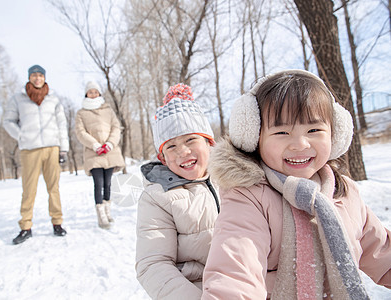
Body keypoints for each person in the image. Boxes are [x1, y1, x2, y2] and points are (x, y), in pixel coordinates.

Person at [202, 69, 391, 299]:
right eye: (282, 132)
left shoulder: (344, 192)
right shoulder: (249, 197)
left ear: (335, 133)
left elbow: (382, 253)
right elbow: (235, 273)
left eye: (314, 130)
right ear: (255, 138)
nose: (300, 144)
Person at [135, 83, 220, 299]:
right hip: (197, 288)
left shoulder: (235, 178)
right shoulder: (157, 197)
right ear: (162, 158)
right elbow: (153, 264)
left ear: (209, 142)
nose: (182, 151)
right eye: (171, 146)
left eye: (191, 139)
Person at [4, 64, 69, 245]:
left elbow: (61, 124)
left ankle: (57, 223)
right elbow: (8, 121)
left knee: (53, 188)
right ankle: (26, 227)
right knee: (29, 188)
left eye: (40, 75)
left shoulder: (53, 99)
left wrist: (63, 148)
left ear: (45, 78)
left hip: (51, 147)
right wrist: (21, 136)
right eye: (34, 75)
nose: (37, 78)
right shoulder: (18, 99)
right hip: (29, 149)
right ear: (29, 78)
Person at [75, 81, 125, 229]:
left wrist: (110, 143)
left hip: (110, 151)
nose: (93, 94)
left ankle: (108, 211)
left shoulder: (108, 109)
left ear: (99, 93)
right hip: (93, 153)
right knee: (99, 183)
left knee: (108, 183)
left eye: (95, 91)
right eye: (90, 92)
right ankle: (100, 215)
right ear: (86, 94)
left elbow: (116, 127)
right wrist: (95, 145)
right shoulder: (81, 113)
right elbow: (80, 132)